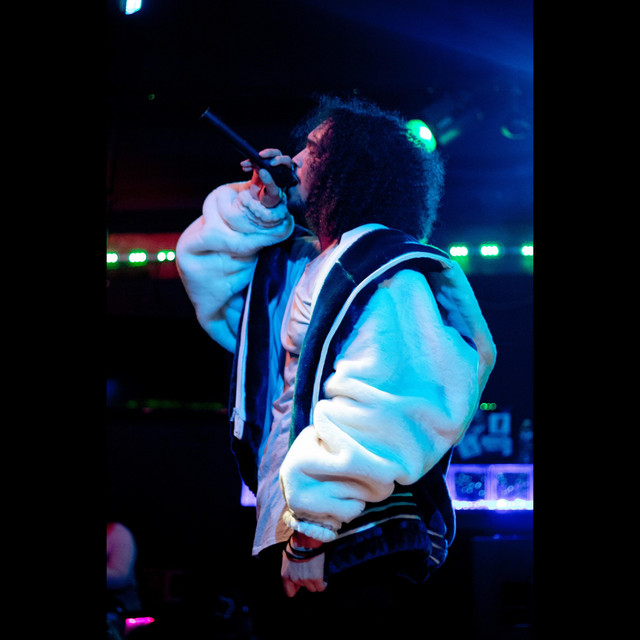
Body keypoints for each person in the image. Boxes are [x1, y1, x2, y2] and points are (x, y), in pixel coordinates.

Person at [176, 95, 496, 637]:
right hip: (298, 527)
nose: (296, 157)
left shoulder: (383, 269)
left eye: (313, 149)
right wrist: (259, 205)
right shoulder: (306, 262)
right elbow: (212, 280)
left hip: (346, 538)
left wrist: (314, 530)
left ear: (349, 170)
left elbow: (387, 401)